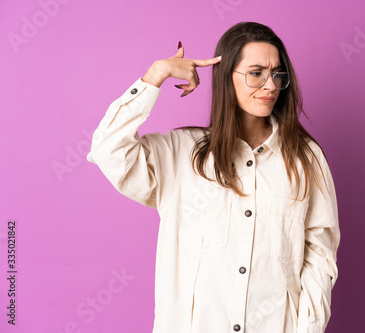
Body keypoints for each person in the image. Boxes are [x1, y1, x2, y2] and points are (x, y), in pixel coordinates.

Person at [87, 21, 340, 333]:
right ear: (225, 77)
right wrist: (156, 75)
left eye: (278, 74)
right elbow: (107, 150)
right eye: (256, 73)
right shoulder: (180, 154)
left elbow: (320, 258)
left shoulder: (305, 159)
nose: (271, 85)